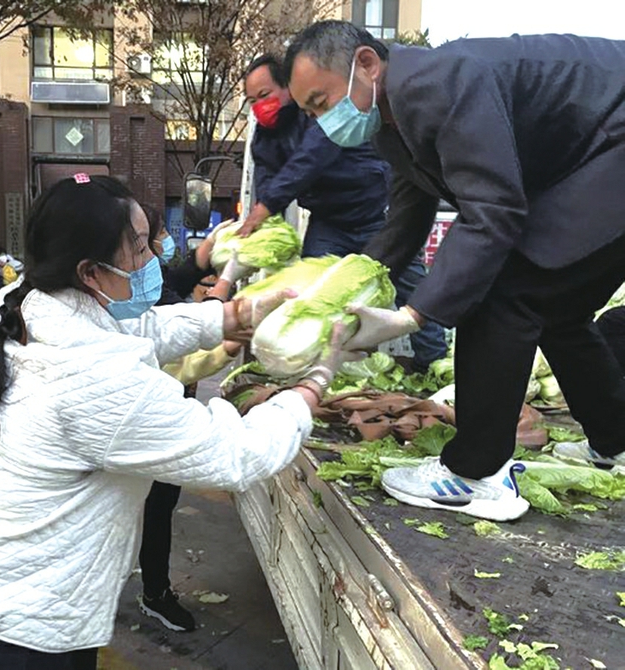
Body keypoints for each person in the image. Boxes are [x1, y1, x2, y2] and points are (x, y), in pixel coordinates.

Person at [0, 175, 355, 669]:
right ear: (90, 272)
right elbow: (237, 455)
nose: (154, 260)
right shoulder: (100, 380)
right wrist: (310, 385)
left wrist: (229, 316)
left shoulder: (23, 306)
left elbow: (135, 329)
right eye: (139, 248)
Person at [284, 21, 625, 521]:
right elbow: (409, 211)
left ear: (366, 63)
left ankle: (475, 475)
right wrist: (355, 286)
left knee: (503, 293)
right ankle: (616, 441)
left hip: (614, 147)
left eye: (321, 101)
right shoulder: (391, 118)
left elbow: (494, 211)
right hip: (597, 156)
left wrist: (413, 315)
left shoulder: (440, 84)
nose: (321, 121)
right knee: (559, 311)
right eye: (310, 112)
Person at [240, 54, 447, 371]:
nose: (259, 106)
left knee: (411, 288)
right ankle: (324, 369)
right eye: (252, 100)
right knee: (312, 295)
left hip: (375, 214)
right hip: (328, 223)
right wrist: (264, 238)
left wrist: (265, 205)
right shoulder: (265, 139)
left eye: (265, 95)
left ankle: (432, 363)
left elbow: (311, 158)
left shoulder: (317, 112)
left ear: (287, 87)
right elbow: (267, 184)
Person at [136, 206, 242, 632]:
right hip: (145, 419)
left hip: (163, 412)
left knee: (159, 506)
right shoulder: (128, 302)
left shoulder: (142, 280)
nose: (158, 245)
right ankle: (147, 591)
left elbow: (174, 283)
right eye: (149, 238)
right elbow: (183, 358)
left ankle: (154, 592)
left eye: (154, 235)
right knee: (138, 506)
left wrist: (211, 255)